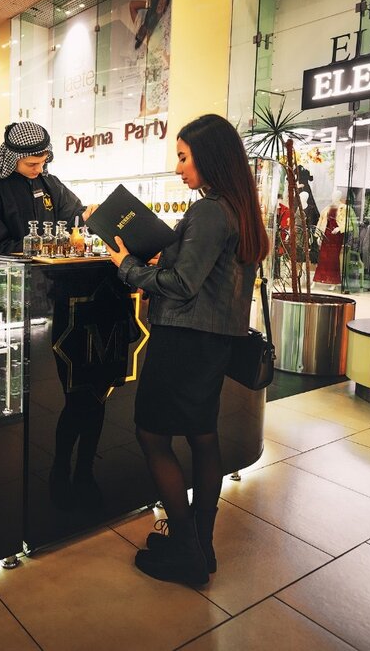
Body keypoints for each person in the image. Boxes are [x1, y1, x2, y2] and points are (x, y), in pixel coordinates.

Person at [106, 114, 268, 586]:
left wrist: (128, 267)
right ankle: (201, 545)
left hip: (183, 339)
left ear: (209, 157)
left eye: (183, 157)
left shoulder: (209, 211)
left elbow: (182, 284)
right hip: (214, 342)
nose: (178, 168)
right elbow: (206, 273)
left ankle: (185, 549)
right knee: (202, 436)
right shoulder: (239, 209)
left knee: (152, 436)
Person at [0, 121, 91, 260]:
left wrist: (87, 216)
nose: (40, 169)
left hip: (52, 271)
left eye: (43, 162)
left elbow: (72, 219)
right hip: (10, 271)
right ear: (12, 159)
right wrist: (42, 245)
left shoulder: (50, 183)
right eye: (31, 164)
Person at [129, 0, 171, 116]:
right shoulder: (145, 23)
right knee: (144, 117)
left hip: (159, 76)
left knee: (154, 118)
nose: (161, 1)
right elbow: (132, 5)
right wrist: (151, 4)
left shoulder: (167, 23)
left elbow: (168, 57)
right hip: (147, 77)